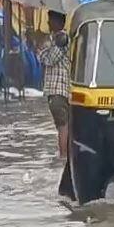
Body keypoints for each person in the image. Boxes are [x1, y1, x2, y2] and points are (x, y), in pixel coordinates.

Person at [37, 10, 70, 158]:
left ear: (57, 22)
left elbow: (48, 59)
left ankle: (63, 157)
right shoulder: (55, 39)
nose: (48, 23)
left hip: (59, 90)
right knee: (62, 125)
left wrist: (43, 45)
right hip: (59, 91)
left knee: (63, 126)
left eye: (50, 20)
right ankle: (64, 156)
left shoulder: (63, 40)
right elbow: (42, 57)